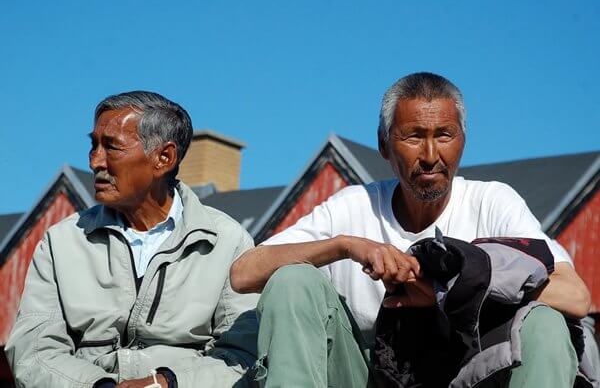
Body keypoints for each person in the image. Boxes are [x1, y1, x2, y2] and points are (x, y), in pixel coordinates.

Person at [230, 73, 591, 387]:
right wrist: (345, 246)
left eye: (445, 135)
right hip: (364, 376)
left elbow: (575, 296)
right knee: (293, 280)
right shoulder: (354, 205)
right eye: (414, 136)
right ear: (384, 144)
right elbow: (244, 272)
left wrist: (446, 288)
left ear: (463, 140)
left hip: (469, 377)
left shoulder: (491, 202)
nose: (431, 154)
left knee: (545, 323)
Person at [5, 91, 259, 387]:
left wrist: (166, 384)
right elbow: (32, 350)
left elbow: (244, 356)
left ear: (164, 158)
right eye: (93, 146)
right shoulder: (62, 241)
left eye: (111, 147)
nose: (95, 161)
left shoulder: (227, 241)